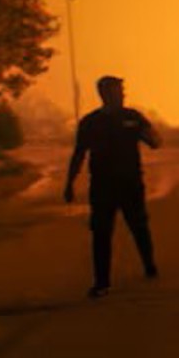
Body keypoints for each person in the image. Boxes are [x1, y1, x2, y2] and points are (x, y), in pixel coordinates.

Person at [64, 75, 161, 298]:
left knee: (139, 226)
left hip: (131, 184)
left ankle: (149, 264)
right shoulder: (90, 122)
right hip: (102, 186)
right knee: (101, 233)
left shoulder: (132, 117)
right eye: (119, 91)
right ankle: (101, 281)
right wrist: (69, 183)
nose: (123, 94)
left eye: (122, 91)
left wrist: (149, 134)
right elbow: (79, 154)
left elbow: (155, 142)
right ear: (105, 94)